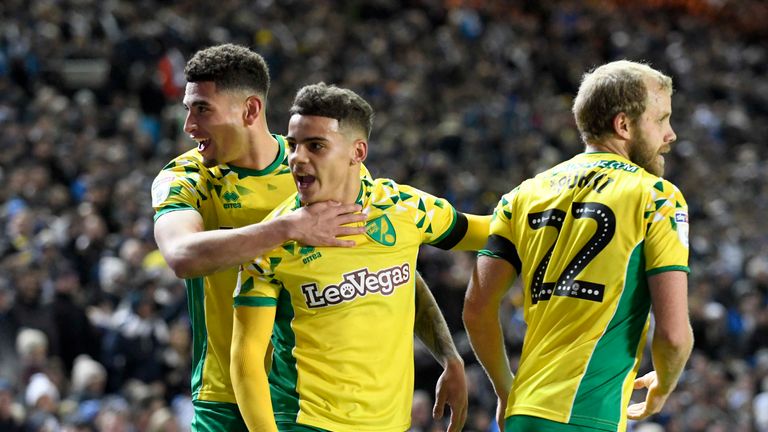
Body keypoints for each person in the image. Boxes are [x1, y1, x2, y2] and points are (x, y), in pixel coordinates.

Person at [152, 45, 467, 431]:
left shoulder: (318, 162)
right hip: (227, 399)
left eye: (202, 109)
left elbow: (385, 261)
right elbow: (181, 255)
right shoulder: (188, 178)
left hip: (307, 407)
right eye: (188, 108)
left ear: (250, 110)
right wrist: (287, 227)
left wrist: (448, 354)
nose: (188, 125)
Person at [230, 82, 490, 432]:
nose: (296, 158)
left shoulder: (402, 208)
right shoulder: (272, 239)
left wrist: (449, 357)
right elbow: (246, 358)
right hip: (307, 423)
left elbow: (486, 232)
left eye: (316, 146)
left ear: (357, 152)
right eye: (292, 145)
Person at [463, 60, 694, 432]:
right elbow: (672, 336)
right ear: (624, 125)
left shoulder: (522, 195)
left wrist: (506, 390)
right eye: (662, 119)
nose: (671, 134)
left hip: (525, 412)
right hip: (589, 416)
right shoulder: (656, 197)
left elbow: (476, 309)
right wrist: (663, 386)